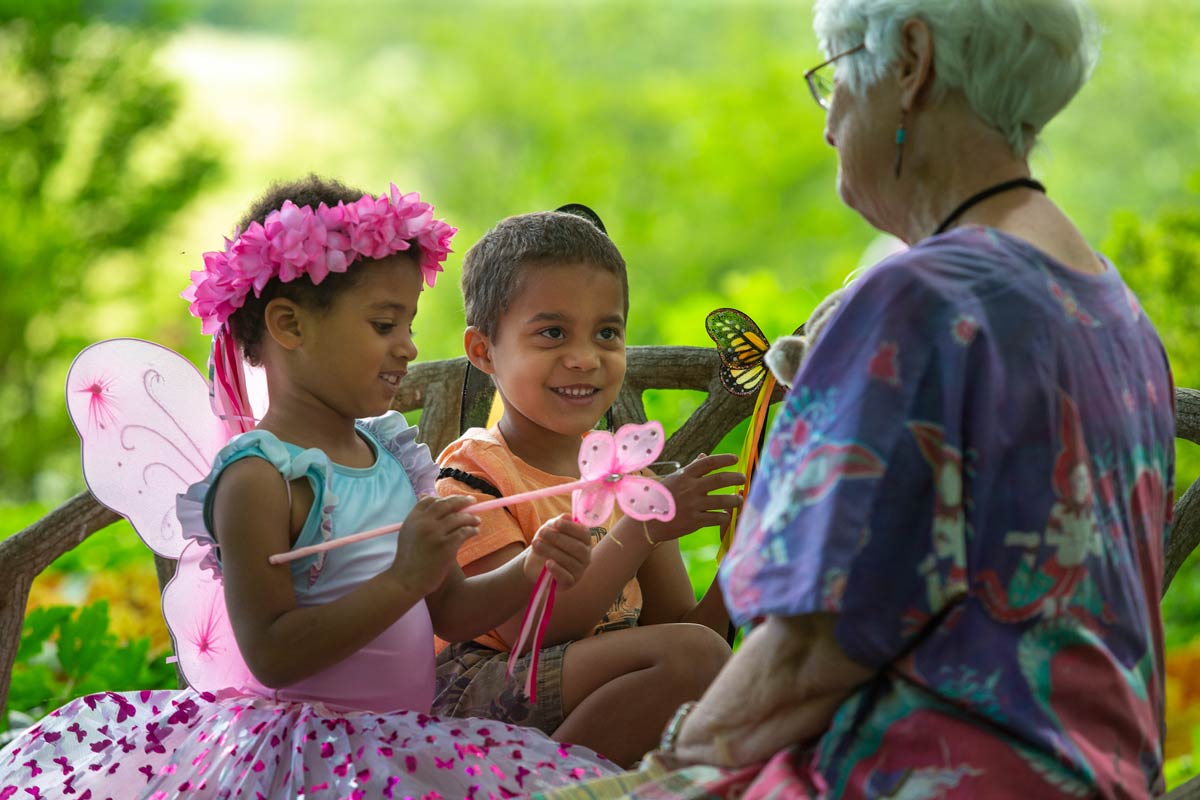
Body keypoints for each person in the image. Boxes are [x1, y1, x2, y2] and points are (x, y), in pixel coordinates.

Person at [537, 0, 1176, 798]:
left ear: (910, 62)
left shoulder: (924, 299)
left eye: (834, 75)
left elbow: (807, 651)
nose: (832, 119)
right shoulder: (1108, 304)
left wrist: (659, 774)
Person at [0, 176, 620, 798]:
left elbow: (452, 610)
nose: (406, 347)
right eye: (383, 324)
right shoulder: (260, 479)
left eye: (407, 323)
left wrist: (530, 567)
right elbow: (272, 653)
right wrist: (404, 576)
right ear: (290, 326)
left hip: (405, 741)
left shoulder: (391, 457)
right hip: (303, 759)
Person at [432, 208, 744, 767]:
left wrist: (747, 559)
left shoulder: (629, 474)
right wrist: (642, 529)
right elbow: (538, 630)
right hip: (481, 702)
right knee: (694, 661)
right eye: (552, 333)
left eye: (607, 332)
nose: (585, 358)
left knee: (706, 661)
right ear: (483, 352)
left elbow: (687, 634)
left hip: (586, 701)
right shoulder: (475, 473)